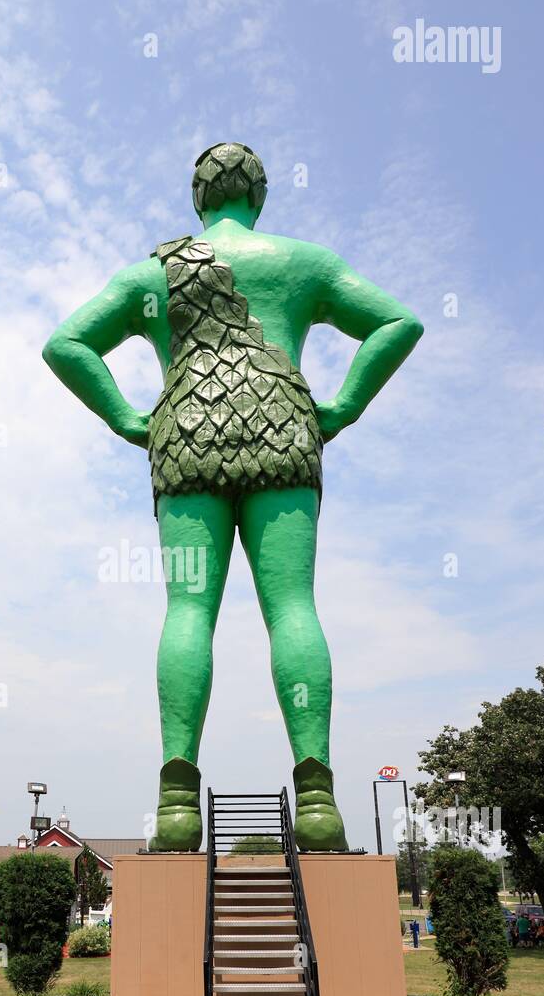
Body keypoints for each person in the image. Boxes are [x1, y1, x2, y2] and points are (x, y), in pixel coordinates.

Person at [43, 142, 423, 852]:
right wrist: (341, 408)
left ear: (198, 198)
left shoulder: (154, 272)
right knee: (294, 607)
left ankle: (179, 806)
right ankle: (317, 804)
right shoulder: (303, 261)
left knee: (188, 609)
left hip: (185, 439)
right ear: (260, 194)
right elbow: (399, 323)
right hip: (285, 432)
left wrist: (129, 417)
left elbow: (66, 344)